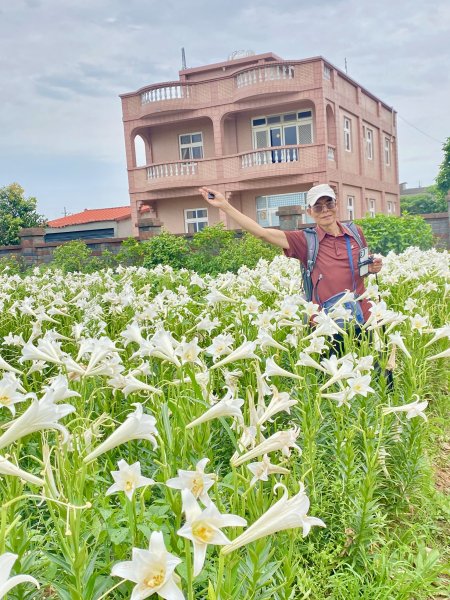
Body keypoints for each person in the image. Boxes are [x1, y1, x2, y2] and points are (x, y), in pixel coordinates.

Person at [199, 183, 382, 334]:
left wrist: (373, 267)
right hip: (329, 324)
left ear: (336, 205)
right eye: (318, 207)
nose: (325, 210)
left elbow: (362, 270)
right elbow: (262, 233)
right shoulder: (305, 240)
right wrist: (225, 205)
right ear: (309, 212)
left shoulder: (356, 233)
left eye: (329, 204)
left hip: (365, 317)